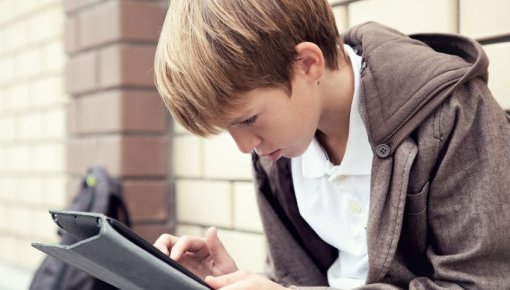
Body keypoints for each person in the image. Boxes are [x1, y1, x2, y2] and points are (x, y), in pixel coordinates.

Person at [152, 0, 510, 289]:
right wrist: (230, 279)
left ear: (308, 64)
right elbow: (298, 280)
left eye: (247, 119)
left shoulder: (451, 114)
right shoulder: (277, 153)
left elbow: (484, 283)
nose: (245, 146)